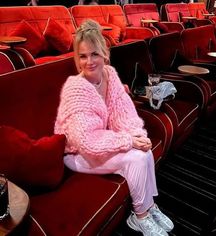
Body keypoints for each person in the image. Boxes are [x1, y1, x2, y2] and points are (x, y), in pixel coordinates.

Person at [54, 19, 174, 236]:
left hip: (99, 142)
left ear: (104, 54)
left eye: (94, 54)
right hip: (77, 154)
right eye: (82, 56)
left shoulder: (109, 75)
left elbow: (124, 113)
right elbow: (86, 141)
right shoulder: (76, 88)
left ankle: (150, 205)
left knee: (144, 153)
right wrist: (128, 141)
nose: (89, 61)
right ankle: (140, 216)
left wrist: (137, 135)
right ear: (76, 58)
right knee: (136, 158)